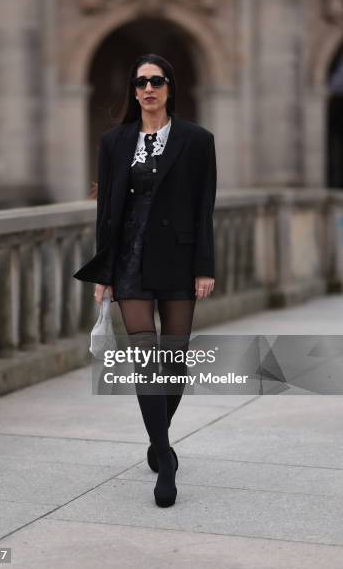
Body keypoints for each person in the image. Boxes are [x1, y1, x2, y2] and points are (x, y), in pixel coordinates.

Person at [74, 53, 217, 507]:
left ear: (169, 88)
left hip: (177, 259)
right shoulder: (114, 143)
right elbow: (106, 213)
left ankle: (158, 442)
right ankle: (166, 459)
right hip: (130, 261)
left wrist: (204, 266)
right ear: (134, 91)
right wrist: (104, 272)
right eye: (140, 82)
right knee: (144, 358)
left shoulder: (197, 140)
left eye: (156, 81)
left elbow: (204, 207)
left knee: (173, 362)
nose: (148, 89)